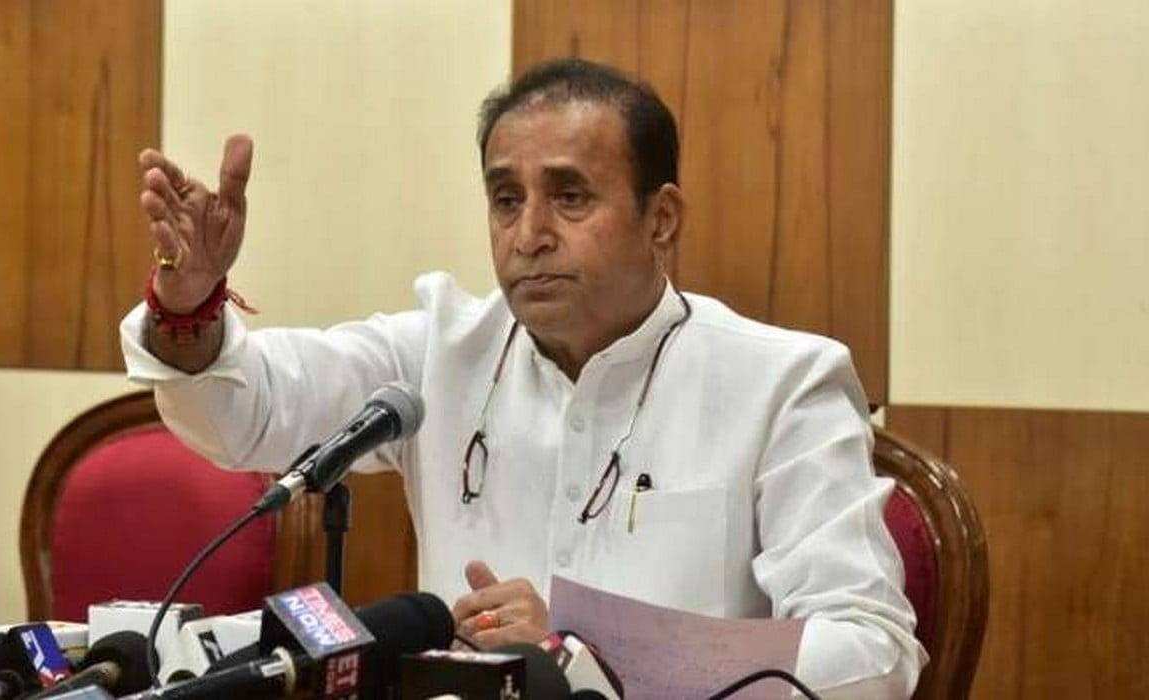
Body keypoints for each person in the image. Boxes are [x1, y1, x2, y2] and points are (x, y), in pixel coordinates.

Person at [121, 59, 925, 697]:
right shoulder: (439, 351)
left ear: (662, 220)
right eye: (506, 200)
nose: (529, 234)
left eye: (570, 197)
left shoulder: (783, 383)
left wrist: (587, 651)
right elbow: (245, 416)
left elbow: (872, 656)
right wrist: (188, 306)